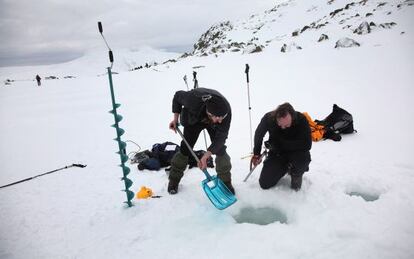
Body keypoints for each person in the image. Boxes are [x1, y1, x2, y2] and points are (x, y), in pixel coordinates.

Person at [168, 87, 234, 195]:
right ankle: (174, 180)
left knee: (220, 149)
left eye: (223, 117)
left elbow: (221, 137)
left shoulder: (225, 112)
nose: (221, 120)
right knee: (185, 149)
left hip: (212, 124)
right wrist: (175, 119)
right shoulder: (192, 99)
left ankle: (226, 182)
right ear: (210, 113)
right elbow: (177, 96)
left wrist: (207, 154)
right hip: (194, 120)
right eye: (218, 117)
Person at [251, 102, 312, 191]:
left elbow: (307, 144)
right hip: (277, 153)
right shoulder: (269, 118)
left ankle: (296, 173)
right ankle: (284, 167)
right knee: (265, 183)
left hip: (297, 153)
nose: (283, 127)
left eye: (287, 125)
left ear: (293, 117)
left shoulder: (301, 120)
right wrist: (256, 154)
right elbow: (259, 135)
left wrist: (282, 144)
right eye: (280, 125)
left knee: (302, 160)